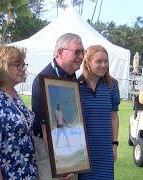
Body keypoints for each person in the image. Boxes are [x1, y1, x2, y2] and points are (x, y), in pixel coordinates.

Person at [32, 33, 84, 180]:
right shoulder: (44, 79)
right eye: (77, 52)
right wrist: (61, 165)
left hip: (70, 144)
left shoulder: (72, 77)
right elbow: (46, 128)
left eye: (83, 52)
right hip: (49, 149)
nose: (81, 57)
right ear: (60, 52)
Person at [0, 46, 38, 179]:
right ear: (3, 67)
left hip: (25, 171)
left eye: (23, 64)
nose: (23, 69)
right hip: (7, 174)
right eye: (17, 65)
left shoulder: (13, 94)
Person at [78, 45, 120, 180]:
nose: (104, 65)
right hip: (81, 150)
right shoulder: (75, 85)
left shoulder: (112, 86)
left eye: (106, 61)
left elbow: (114, 117)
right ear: (87, 62)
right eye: (99, 61)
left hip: (104, 150)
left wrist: (114, 145)